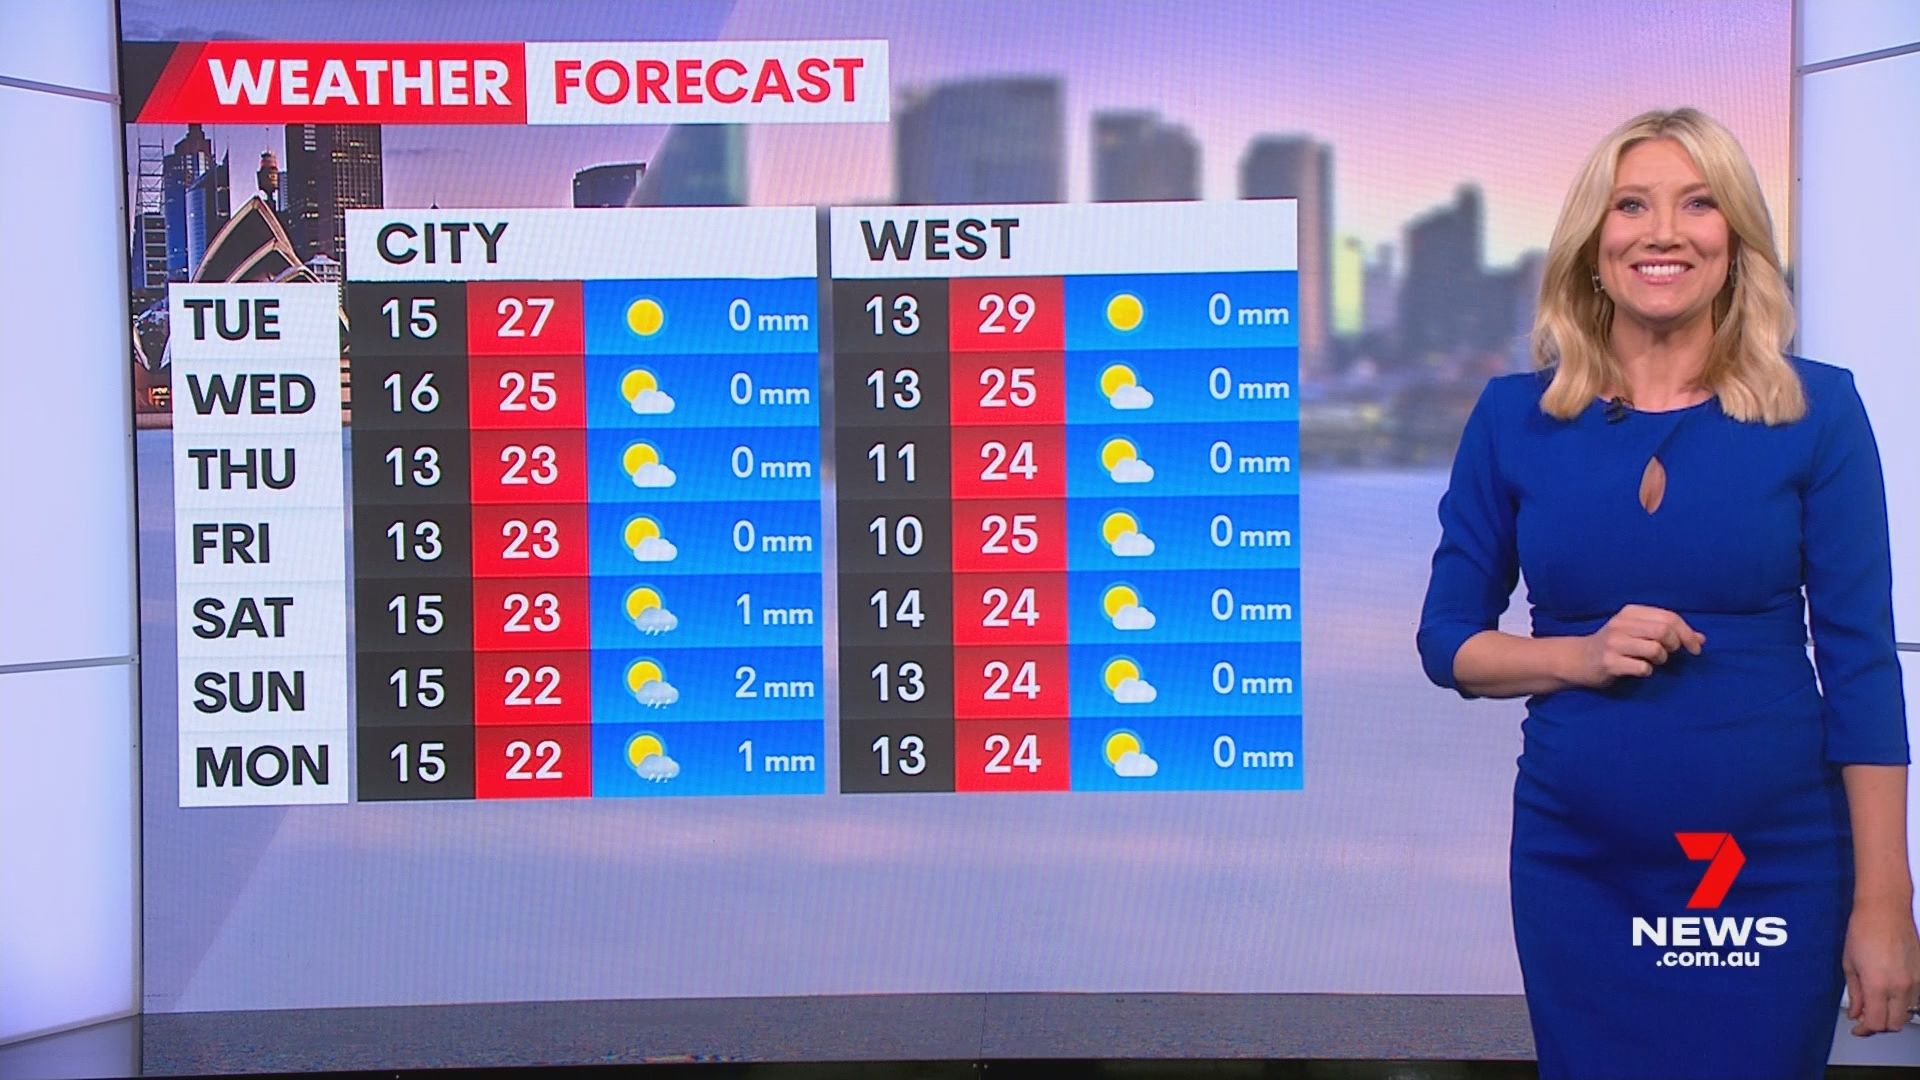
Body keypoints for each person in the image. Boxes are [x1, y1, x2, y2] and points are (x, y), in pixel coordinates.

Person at [1416, 107, 1920, 1078]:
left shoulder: (1820, 411)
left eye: (1698, 204)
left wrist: (1885, 898)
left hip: (1770, 862)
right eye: (1631, 206)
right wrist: (1579, 656)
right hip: (1582, 868)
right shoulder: (1514, 419)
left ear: (1735, 239)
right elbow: (1449, 643)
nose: (1664, 232)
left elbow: (1862, 669)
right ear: (1592, 244)